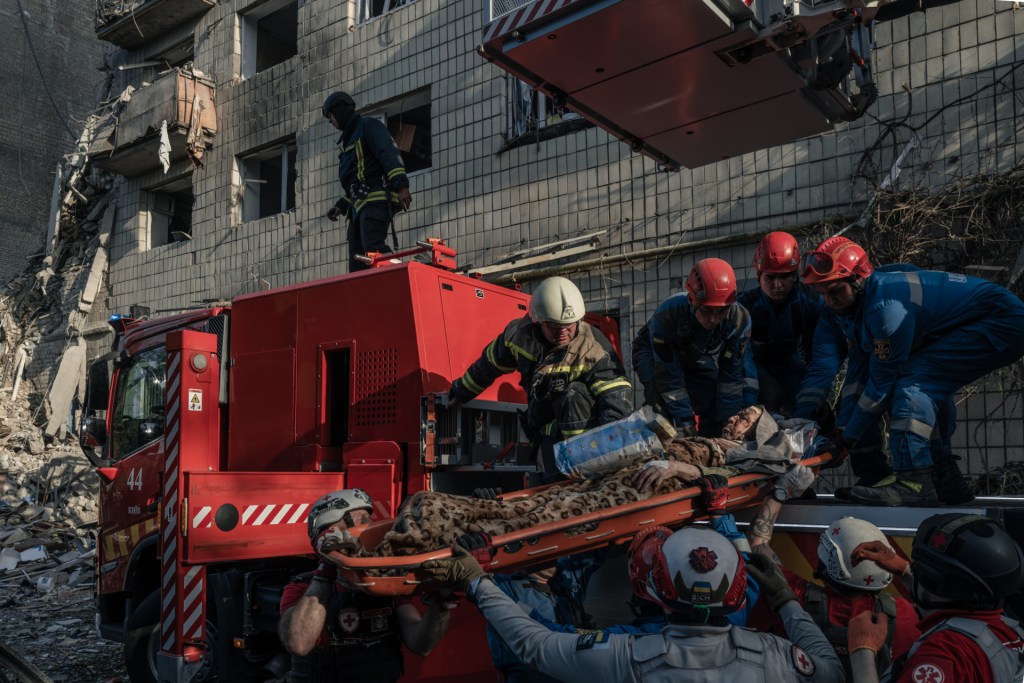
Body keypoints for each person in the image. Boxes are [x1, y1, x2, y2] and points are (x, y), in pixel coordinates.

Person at [421, 526, 845, 682]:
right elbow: (831, 667)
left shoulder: (630, 658)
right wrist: (787, 601)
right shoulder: (777, 658)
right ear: (736, 592)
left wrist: (479, 584)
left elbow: (538, 646)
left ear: (653, 590)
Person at [800, 235, 1024, 505]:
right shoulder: (862, 308)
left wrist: (847, 440)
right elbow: (856, 378)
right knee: (925, 383)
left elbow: (880, 386)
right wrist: (842, 429)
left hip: (1000, 321)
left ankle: (913, 481)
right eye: (822, 293)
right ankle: (943, 477)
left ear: (858, 280)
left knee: (912, 382)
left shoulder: (886, 312)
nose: (829, 301)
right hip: (994, 318)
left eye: (835, 291)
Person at [448, 276, 632, 483]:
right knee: (550, 490)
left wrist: (608, 453)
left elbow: (615, 399)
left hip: (587, 437)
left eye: (569, 325)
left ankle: (582, 471)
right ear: (539, 321)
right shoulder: (518, 337)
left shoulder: (593, 346)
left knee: (573, 393)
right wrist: (461, 392)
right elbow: (487, 366)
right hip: (545, 429)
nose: (563, 331)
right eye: (555, 326)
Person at [278, 489, 452, 682]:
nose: (370, 525)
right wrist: (329, 567)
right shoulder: (302, 588)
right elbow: (299, 644)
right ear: (332, 527)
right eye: (362, 519)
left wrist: (442, 603)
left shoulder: (382, 586)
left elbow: (421, 645)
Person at [846, 512, 1024, 683]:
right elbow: (943, 605)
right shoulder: (1007, 631)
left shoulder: (942, 654)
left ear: (936, 582)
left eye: (919, 570)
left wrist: (862, 651)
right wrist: (904, 570)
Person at [746, 516, 920, 678]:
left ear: (825, 563)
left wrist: (779, 493)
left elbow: (759, 548)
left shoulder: (794, 594)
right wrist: (904, 569)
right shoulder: (901, 613)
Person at [632, 258, 757, 437]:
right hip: (651, 352)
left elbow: (731, 377)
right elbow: (670, 378)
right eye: (707, 311)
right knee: (660, 402)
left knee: (711, 397)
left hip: (694, 351)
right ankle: (657, 451)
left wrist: (728, 425)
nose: (714, 319)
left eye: (721, 311)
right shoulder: (667, 316)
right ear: (692, 299)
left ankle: (710, 445)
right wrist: (686, 425)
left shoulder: (739, 320)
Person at [322, 91, 412, 272]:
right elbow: (356, 181)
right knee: (357, 261)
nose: (331, 122)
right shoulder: (349, 140)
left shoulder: (368, 126)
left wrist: (401, 186)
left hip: (375, 201)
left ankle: (400, 272)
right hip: (358, 207)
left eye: (331, 116)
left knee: (373, 249)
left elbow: (388, 154)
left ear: (339, 110)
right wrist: (342, 205)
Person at [737, 232, 823, 415]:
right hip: (757, 366)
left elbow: (817, 351)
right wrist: (749, 406)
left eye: (784, 277)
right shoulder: (745, 307)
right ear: (759, 276)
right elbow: (745, 359)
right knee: (771, 395)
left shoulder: (811, 301)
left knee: (809, 402)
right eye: (770, 278)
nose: (777, 285)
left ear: (794, 276)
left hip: (790, 363)